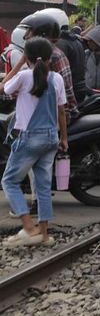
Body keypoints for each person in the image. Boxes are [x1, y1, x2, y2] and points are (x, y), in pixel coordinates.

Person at [1, 37, 67, 247]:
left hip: (30, 137)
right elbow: (61, 111)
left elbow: (3, 88)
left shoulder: (23, 76)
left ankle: (29, 228)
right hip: (51, 137)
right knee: (43, 186)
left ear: (27, 57)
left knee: (9, 181)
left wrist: (19, 63)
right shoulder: (57, 78)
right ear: (50, 58)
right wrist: (64, 138)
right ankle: (44, 235)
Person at [18, 13, 77, 115]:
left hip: (56, 112)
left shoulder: (52, 56)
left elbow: (63, 97)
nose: (25, 36)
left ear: (41, 34)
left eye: (29, 31)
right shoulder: (41, 54)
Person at [40, 8, 90, 103]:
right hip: (79, 88)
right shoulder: (75, 40)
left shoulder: (60, 45)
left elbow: (58, 74)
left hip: (68, 93)